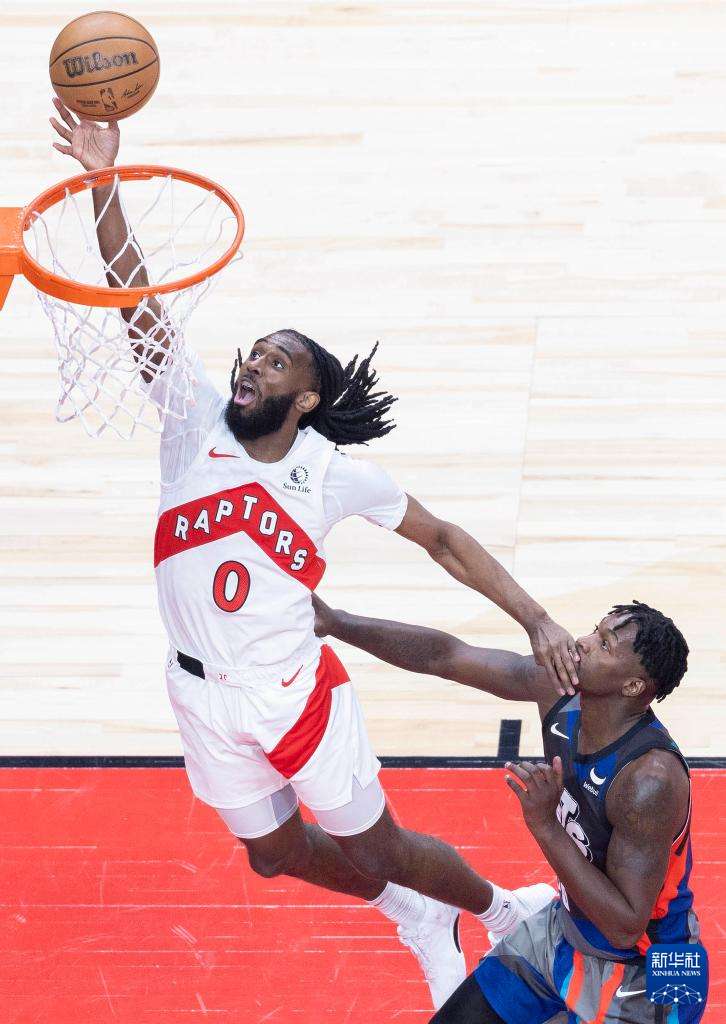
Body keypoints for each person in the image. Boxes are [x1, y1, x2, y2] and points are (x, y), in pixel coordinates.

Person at [49, 98, 579, 1009]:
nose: (252, 365)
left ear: (305, 399)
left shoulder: (333, 475)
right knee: (273, 856)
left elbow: (445, 540)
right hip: (199, 694)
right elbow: (136, 297)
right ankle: (417, 916)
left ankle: (501, 911)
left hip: (292, 689)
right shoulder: (189, 419)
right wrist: (104, 181)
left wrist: (535, 618)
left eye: (275, 363)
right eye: (252, 354)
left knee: (378, 846)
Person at [312, 594, 706, 1022]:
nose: (583, 641)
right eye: (596, 630)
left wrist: (546, 826)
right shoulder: (558, 689)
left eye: (604, 645)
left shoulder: (649, 780)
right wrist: (336, 622)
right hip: (566, 932)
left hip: (653, 969)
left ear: (632, 687)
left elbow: (625, 926)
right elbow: (446, 656)